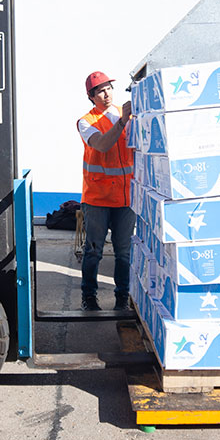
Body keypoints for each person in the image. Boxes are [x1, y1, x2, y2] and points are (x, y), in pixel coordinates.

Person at [77, 71, 134, 311]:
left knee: (124, 252)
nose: (106, 94)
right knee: (93, 251)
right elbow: (101, 145)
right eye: (100, 91)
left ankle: (122, 297)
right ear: (91, 96)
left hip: (125, 198)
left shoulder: (126, 114)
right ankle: (89, 296)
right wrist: (122, 123)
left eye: (109, 88)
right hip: (97, 198)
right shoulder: (86, 122)